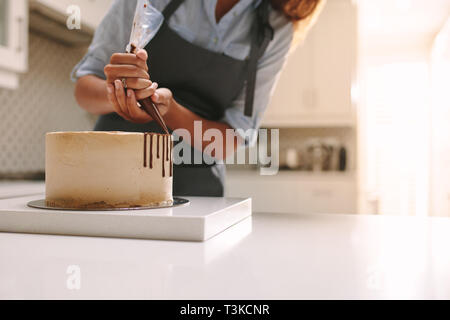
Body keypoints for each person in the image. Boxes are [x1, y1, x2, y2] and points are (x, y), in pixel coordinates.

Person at [72, 0, 324, 196]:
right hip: (109, 181)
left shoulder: (274, 30)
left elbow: (233, 137)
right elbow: (84, 91)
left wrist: (169, 110)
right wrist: (120, 93)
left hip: (195, 194)